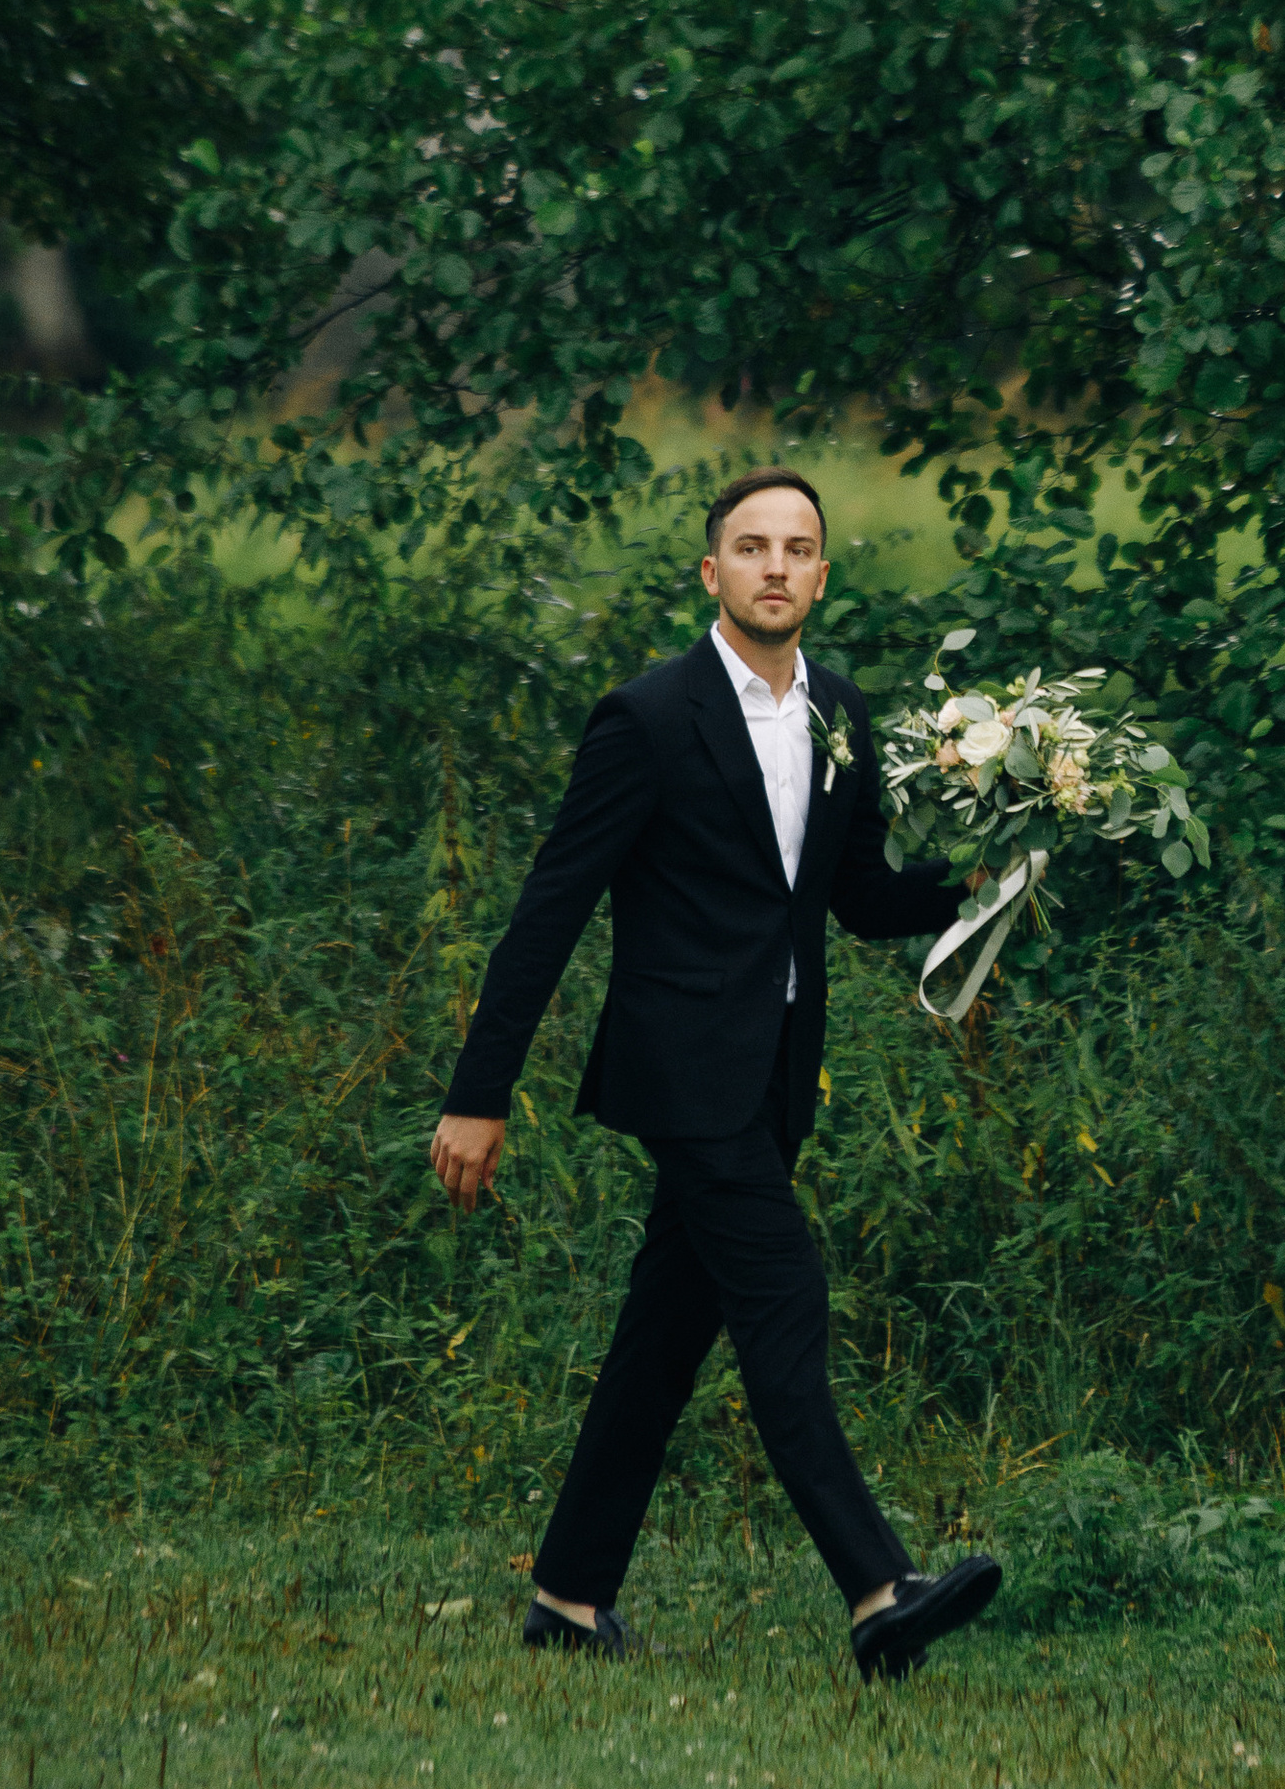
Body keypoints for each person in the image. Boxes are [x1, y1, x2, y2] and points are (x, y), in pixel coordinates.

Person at [427, 470, 1000, 1682]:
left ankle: (569, 1598)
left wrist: (982, 882)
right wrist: (480, 1094)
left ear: (822, 576)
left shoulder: (841, 714)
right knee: (783, 1299)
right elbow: (547, 916)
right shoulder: (647, 717)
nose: (776, 567)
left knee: (665, 1335)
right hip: (681, 1074)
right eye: (752, 548)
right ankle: (879, 1592)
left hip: (776, 1075)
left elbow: (851, 898)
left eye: (798, 549)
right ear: (712, 574)